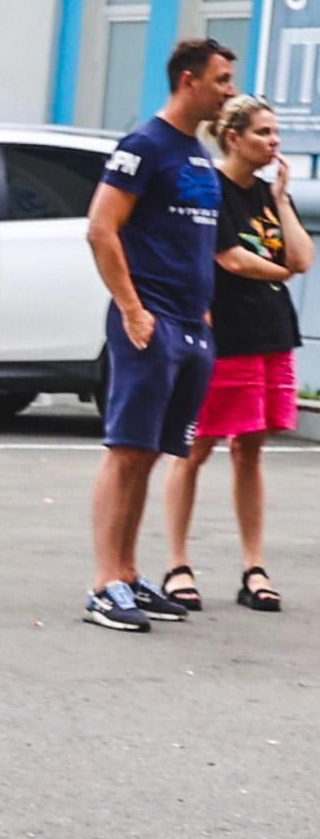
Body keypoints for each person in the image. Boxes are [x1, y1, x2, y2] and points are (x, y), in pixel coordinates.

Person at [82, 38, 236, 633]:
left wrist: (202, 314)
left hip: (189, 326)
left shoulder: (195, 154)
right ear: (189, 80)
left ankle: (127, 572)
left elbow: (200, 246)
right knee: (126, 451)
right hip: (149, 322)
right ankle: (103, 584)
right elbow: (101, 229)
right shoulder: (145, 145)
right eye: (221, 80)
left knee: (149, 453)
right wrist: (132, 308)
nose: (227, 92)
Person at [161, 94, 312, 614]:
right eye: (263, 134)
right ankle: (177, 565)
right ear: (233, 138)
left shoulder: (268, 194)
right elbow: (232, 259)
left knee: (251, 451)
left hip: (271, 335)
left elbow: (303, 257)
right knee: (197, 447)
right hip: (225, 336)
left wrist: (284, 200)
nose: (274, 143)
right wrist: (283, 273)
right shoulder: (211, 188)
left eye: (275, 134)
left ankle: (254, 567)